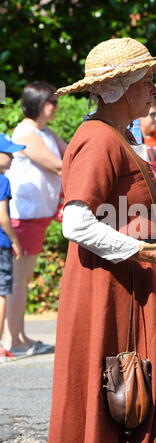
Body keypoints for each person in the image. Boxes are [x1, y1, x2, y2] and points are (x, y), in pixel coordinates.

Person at [47, 37, 156, 443]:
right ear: (122, 88)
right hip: (105, 293)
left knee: (130, 400)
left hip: (128, 289)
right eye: (148, 80)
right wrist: (145, 251)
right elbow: (77, 223)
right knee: (112, 398)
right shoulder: (99, 139)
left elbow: (131, 221)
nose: (155, 90)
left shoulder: (119, 136)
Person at [3, 81, 67, 356]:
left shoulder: (44, 131)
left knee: (22, 279)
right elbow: (59, 164)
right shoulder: (27, 132)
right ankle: (13, 340)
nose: (56, 105)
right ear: (38, 104)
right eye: (51, 101)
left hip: (36, 215)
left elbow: (69, 154)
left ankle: (19, 336)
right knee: (19, 280)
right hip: (24, 216)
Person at [0, 134, 24, 361]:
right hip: (1, 244)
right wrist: (15, 241)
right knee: (2, 294)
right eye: (8, 154)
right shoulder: (2, 181)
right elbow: (3, 217)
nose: (12, 158)